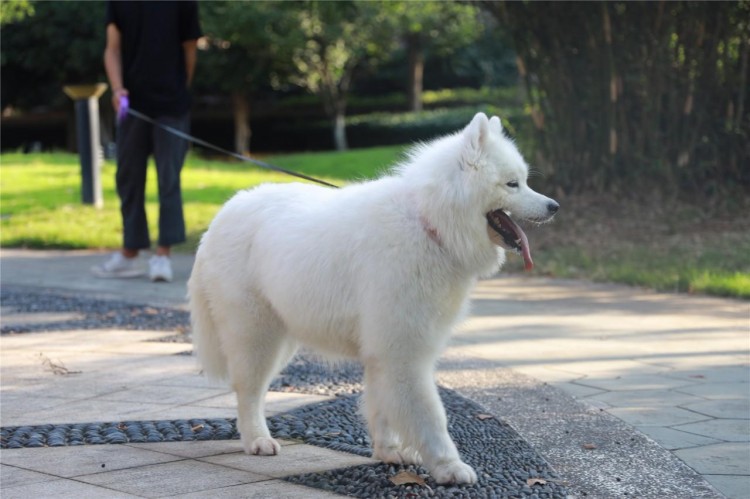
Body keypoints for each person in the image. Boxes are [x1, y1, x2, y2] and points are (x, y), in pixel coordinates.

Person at [92, 1, 202, 282]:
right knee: (127, 176)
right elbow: (112, 48)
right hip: (132, 104)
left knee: (168, 178)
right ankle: (130, 252)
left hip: (172, 105)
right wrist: (117, 89)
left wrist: (180, 90)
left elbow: (190, 50)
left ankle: (162, 256)